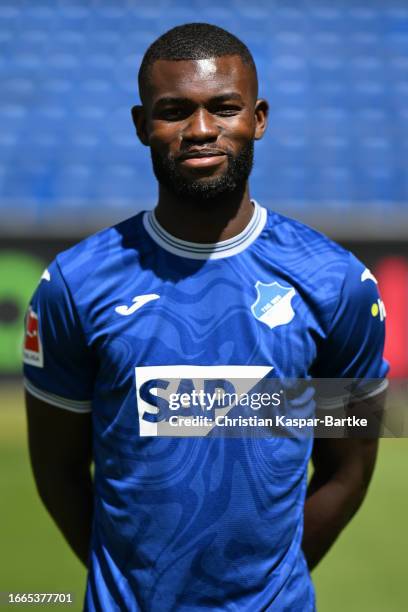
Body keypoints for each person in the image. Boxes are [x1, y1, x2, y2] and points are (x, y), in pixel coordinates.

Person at [24, 23, 388, 611]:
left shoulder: (337, 282)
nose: (200, 130)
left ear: (259, 119)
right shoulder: (75, 283)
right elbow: (58, 471)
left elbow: (348, 469)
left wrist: (267, 590)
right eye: (174, 111)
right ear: (142, 125)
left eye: (224, 108)